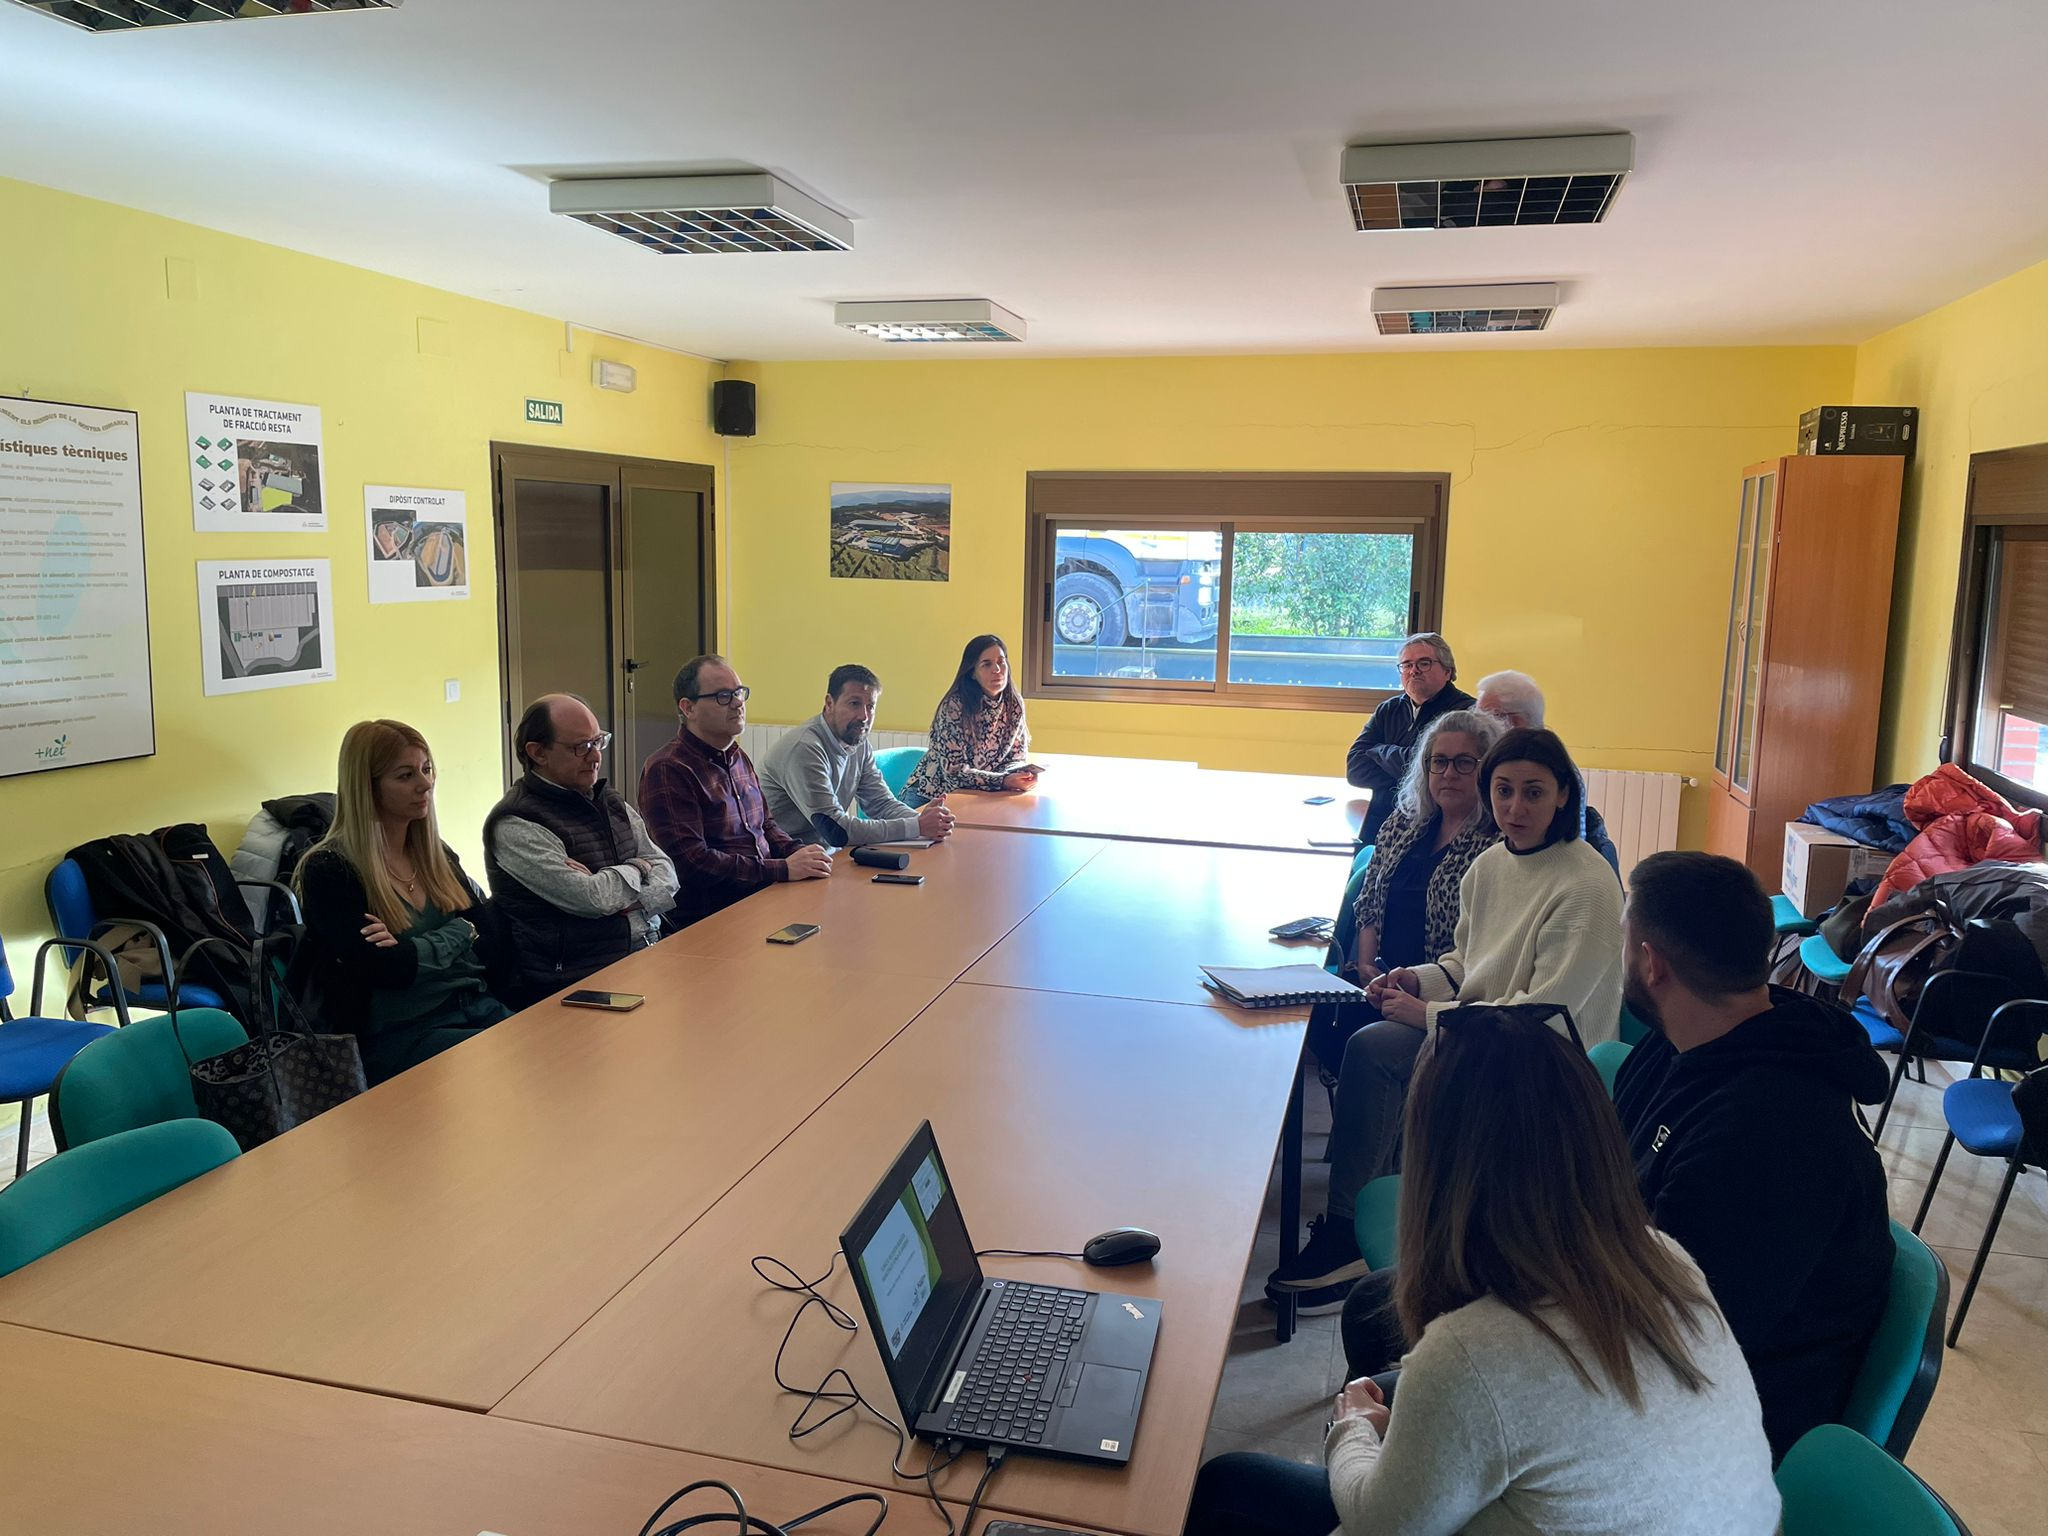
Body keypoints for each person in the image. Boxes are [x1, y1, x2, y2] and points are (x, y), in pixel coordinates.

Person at [1191, 1005, 1780, 1536]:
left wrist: (1354, 1429)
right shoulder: (1665, 1258)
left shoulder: (1470, 1357)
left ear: (1437, 1170)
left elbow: (1377, 1525)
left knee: (1228, 1487)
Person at [1271, 727, 1623, 1301]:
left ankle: (1426, 1239)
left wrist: (1429, 1014)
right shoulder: (1491, 865)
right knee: (1370, 1044)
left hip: (1543, 1062)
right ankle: (1346, 1230)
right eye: (1504, 791)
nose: (1514, 807)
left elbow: (1543, 1013)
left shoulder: (1584, 882)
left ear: (1564, 794)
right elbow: (1467, 961)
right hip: (1482, 1031)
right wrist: (1419, 978)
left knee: (1386, 1045)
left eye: (1533, 793)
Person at [1612, 851, 1894, 1461]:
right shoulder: (1675, 1047)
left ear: (1650, 962)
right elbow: (1607, 1190)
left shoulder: (1776, 1134)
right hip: (1647, 1342)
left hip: (1715, 1422)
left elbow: (1680, 1341)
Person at [294, 720, 509, 1084]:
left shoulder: (435, 854)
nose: (425, 784)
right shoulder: (330, 870)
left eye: (426, 770)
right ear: (368, 787)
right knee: (509, 1070)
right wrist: (461, 931)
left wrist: (414, 948)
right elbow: (388, 970)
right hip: (403, 1037)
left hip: (476, 1008)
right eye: (405, 775)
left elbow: (492, 943)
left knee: (550, 1054)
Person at [1306, 708, 1502, 1075]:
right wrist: (1365, 964)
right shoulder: (1405, 822)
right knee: (1309, 1012)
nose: (1448, 774)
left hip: (1439, 996)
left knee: (1366, 1044)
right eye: (1438, 762)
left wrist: (1415, 992)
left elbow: (1478, 952)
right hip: (1381, 980)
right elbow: (1369, 899)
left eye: (1464, 763)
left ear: (1487, 769)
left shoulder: (1496, 844)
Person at [483, 693, 678, 1005]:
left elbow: (668, 874)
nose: (595, 756)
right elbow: (592, 899)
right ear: (537, 753)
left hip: (643, 951)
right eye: (581, 747)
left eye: (598, 741)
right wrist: (637, 868)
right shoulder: (517, 823)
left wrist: (617, 888)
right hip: (576, 980)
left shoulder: (608, 800)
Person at [639, 654, 833, 927]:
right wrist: (784, 869)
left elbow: (766, 825)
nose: (738, 703)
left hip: (762, 897)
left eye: (740, 693)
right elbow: (691, 862)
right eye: (723, 696)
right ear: (688, 708)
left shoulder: (736, 756)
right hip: (712, 918)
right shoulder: (669, 768)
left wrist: (802, 854)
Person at [759, 663, 957, 848]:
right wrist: (918, 826)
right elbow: (836, 831)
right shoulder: (805, 748)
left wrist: (928, 820)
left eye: (870, 707)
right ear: (829, 703)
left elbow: (880, 803)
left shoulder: (858, 743)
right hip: (786, 863)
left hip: (823, 857)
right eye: (854, 704)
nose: (864, 716)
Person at [1473, 668, 1621, 876]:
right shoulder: (1496, 763)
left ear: (1513, 721)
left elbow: (1568, 848)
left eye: (1484, 717)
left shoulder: (1556, 768)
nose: (1478, 727)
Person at [1345, 633, 1475, 845]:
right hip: (1380, 822)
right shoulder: (1388, 710)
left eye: (1424, 663)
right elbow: (1355, 770)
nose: (1413, 670)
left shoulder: (1465, 714)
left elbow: (1438, 776)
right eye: (1406, 665)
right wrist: (1412, 768)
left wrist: (1380, 751)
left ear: (1447, 670)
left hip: (1432, 829)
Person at [902, 634, 1035, 805]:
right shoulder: (954, 706)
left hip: (979, 794)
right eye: (987, 664)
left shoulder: (1014, 703)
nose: (997, 669)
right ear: (972, 672)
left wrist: (1018, 775)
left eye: (1001, 662)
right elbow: (954, 774)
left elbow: (1016, 756)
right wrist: (1003, 781)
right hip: (930, 796)